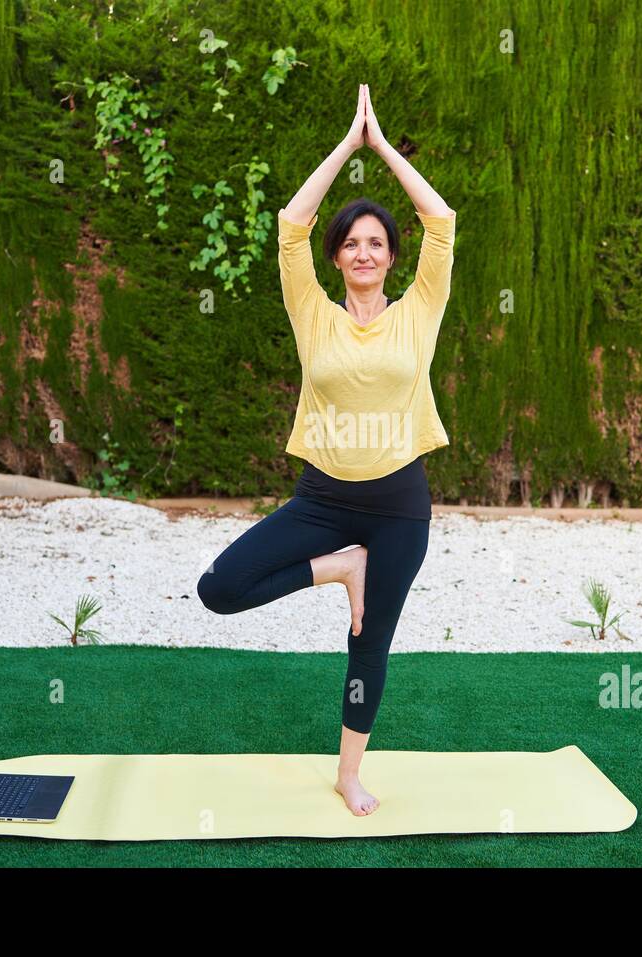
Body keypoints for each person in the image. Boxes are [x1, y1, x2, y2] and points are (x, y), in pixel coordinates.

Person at [197, 83, 456, 816]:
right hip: (323, 501)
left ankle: (348, 771)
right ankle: (339, 568)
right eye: (352, 243)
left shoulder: (419, 312)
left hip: (399, 508)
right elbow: (290, 225)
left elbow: (441, 218)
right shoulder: (312, 312)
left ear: (393, 257)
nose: (365, 251)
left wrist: (386, 149)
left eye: (377, 242)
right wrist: (349, 144)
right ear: (338, 259)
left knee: (369, 643)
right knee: (219, 588)